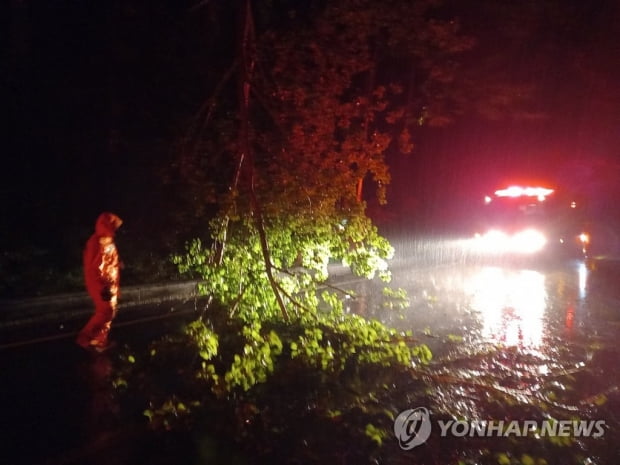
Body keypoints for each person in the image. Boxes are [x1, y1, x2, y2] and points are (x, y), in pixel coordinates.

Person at [76, 212, 123, 352]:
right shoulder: (95, 242)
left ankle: (100, 340)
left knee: (110, 312)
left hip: (110, 284)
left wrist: (117, 265)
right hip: (101, 285)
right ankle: (85, 339)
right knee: (105, 311)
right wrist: (101, 287)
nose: (115, 229)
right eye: (112, 225)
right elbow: (92, 268)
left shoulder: (108, 241)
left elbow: (111, 263)